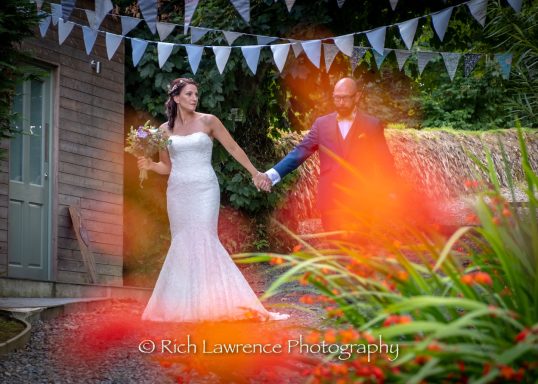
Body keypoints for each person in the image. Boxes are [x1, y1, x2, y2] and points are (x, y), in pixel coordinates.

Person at [137, 77, 288, 322]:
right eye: (189, 94)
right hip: (178, 190)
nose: (194, 98)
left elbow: (233, 148)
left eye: (196, 94)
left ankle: (216, 304)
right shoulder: (164, 131)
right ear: (176, 98)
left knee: (204, 237)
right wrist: (151, 165)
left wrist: (255, 173)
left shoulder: (209, 121)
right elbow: (167, 166)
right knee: (182, 242)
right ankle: (183, 307)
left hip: (204, 188)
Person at [255, 77, 399, 233]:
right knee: (333, 252)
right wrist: (270, 176)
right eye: (337, 98)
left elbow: (384, 161)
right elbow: (299, 152)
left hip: (362, 203)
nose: (340, 102)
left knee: (359, 252)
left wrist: (390, 191)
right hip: (330, 203)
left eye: (345, 98)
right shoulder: (321, 124)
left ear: (357, 97)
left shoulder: (372, 125)